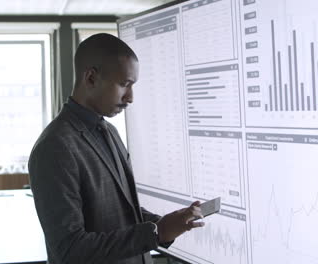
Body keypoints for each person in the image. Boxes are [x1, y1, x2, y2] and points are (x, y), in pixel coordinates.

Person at [29, 33, 204, 264]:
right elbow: (70, 249)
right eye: (124, 84)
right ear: (91, 78)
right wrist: (156, 232)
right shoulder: (54, 147)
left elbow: (120, 212)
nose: (130, 97)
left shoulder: (109, 131)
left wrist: (167, 222)